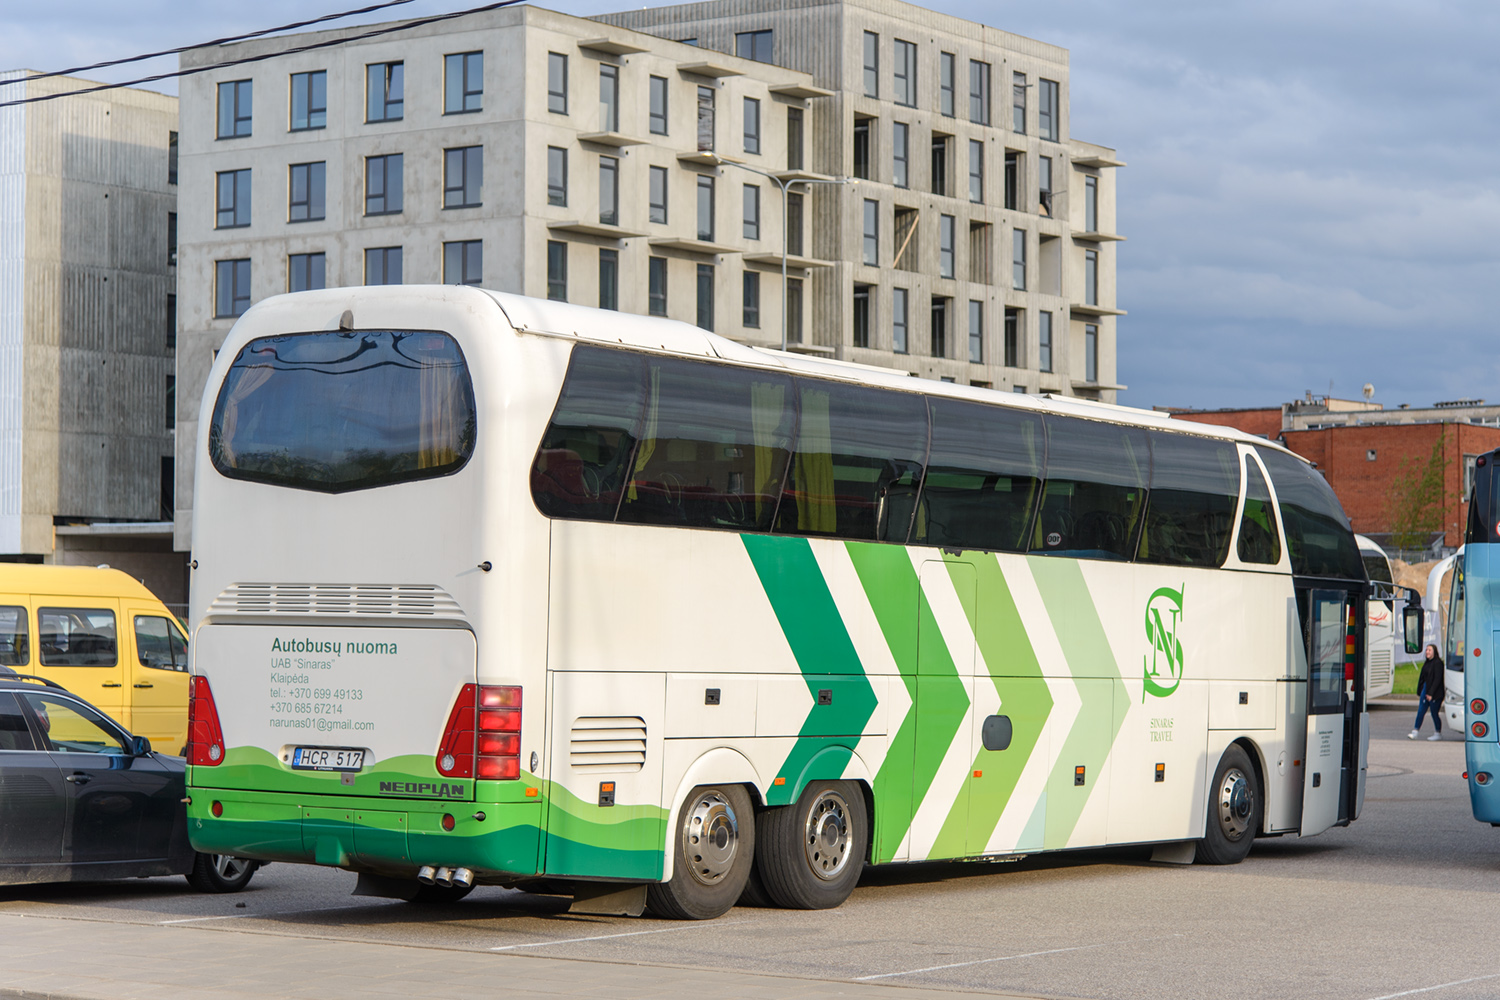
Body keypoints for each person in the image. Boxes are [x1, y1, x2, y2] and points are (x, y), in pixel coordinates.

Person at [1410, 643, 1445, 741]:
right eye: (1426, 650)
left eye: (1429, 650)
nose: (1427, 652)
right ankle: (1415, 731)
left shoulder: (1438, 663)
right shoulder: (1426, 663)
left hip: (1435, 693)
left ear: (1434, 652)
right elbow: (1422, 678)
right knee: (1421, 711)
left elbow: (1437, 679)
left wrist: (1431, 693)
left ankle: (1438, 733)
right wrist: (1420, 690)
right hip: (1425, 690)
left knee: (1434, 713)